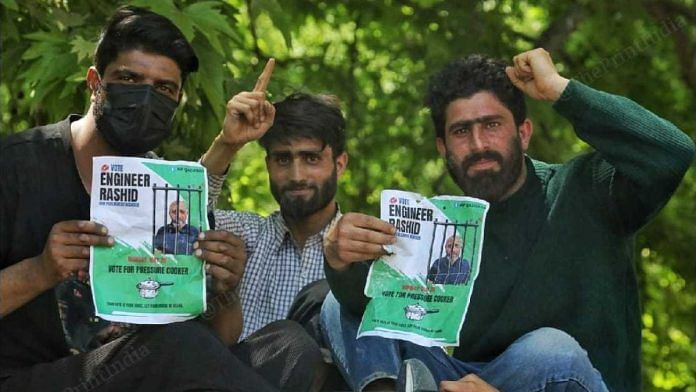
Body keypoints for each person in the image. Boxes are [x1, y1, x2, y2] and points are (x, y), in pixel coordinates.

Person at [320, 48, 695, 391]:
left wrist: (561, 91)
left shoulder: (586, 189)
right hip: (467, 382)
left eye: (492, 125)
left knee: (550, 349)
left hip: (568, 378)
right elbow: (371, 316)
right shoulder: (434, 226)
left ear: (524, 132)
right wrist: (339, 260)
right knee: (337, 305)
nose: (479, 144)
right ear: (443, 148)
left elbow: (670, 153)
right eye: (461, 131)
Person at [0, 6, 321, 391]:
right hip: (33, 378)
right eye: (129, 78)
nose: (144, 98)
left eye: (164, 88)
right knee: (174, 344)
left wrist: (225, 288)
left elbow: (218, 342)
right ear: (94, 82)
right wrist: (40, 270)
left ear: (178, 99)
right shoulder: (17, 165)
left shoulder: (173, 188)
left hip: (153, 370)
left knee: (289, 345)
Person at [201, 63, 348, 341]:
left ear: (339, 164)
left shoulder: (360, 255)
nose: (296, 175)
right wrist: (227, 143)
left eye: (311, 158)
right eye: (283, 159)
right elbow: (179, 214)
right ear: (268, 165)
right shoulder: (242, 237)